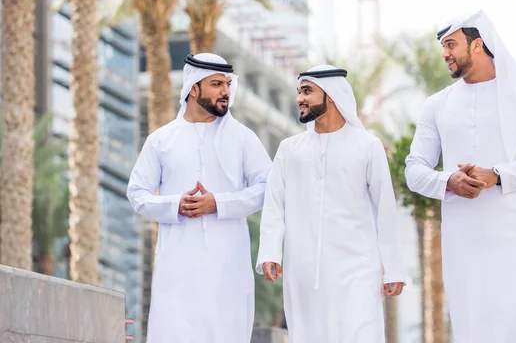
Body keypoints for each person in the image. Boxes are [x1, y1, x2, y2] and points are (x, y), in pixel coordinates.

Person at [405, 10, 516, 342]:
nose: (445, 54)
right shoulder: (437, 106)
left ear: (477, 44)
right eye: (443, 46)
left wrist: (497, 175)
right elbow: (414, 170)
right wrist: (449, 180)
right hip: (466, 244)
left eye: (451, 44)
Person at [127, 53, 271, 342]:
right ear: (194, 88)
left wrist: (217, 203)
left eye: (228, 85)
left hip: (228, 268)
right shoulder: (161, 139)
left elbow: (268, 187)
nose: (226, 92)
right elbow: (137, 193)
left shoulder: (243, 138)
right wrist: (174, 205)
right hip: (177, 267)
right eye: (217, 84)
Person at [256, 65, 406, 343]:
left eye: (307, 91)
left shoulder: (367, 146)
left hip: (357, 269)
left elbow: (384, 210)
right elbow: (275, 204)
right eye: (299, 92)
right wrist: (270, 252)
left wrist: (394, 268)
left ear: (333, 95)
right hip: (303, 271)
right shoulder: (290, 149)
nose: (300, 98)